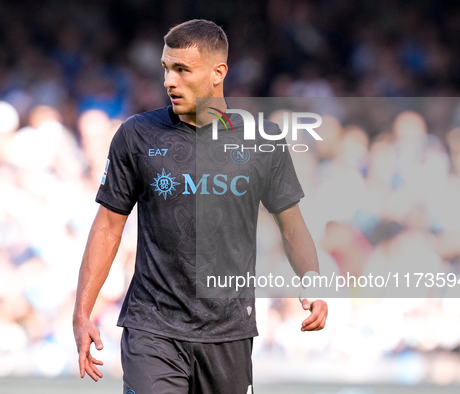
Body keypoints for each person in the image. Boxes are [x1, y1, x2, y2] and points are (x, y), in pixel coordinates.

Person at [72, 19, 328, 394]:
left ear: (217, 73)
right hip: (153, 329)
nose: (168, 81)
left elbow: (291, 226)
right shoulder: (136, 135)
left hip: (229, 334)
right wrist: (82, 312)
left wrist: (313, 283)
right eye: (165, 69)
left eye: (181, 70)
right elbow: (108, 226)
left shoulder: (263, 141)